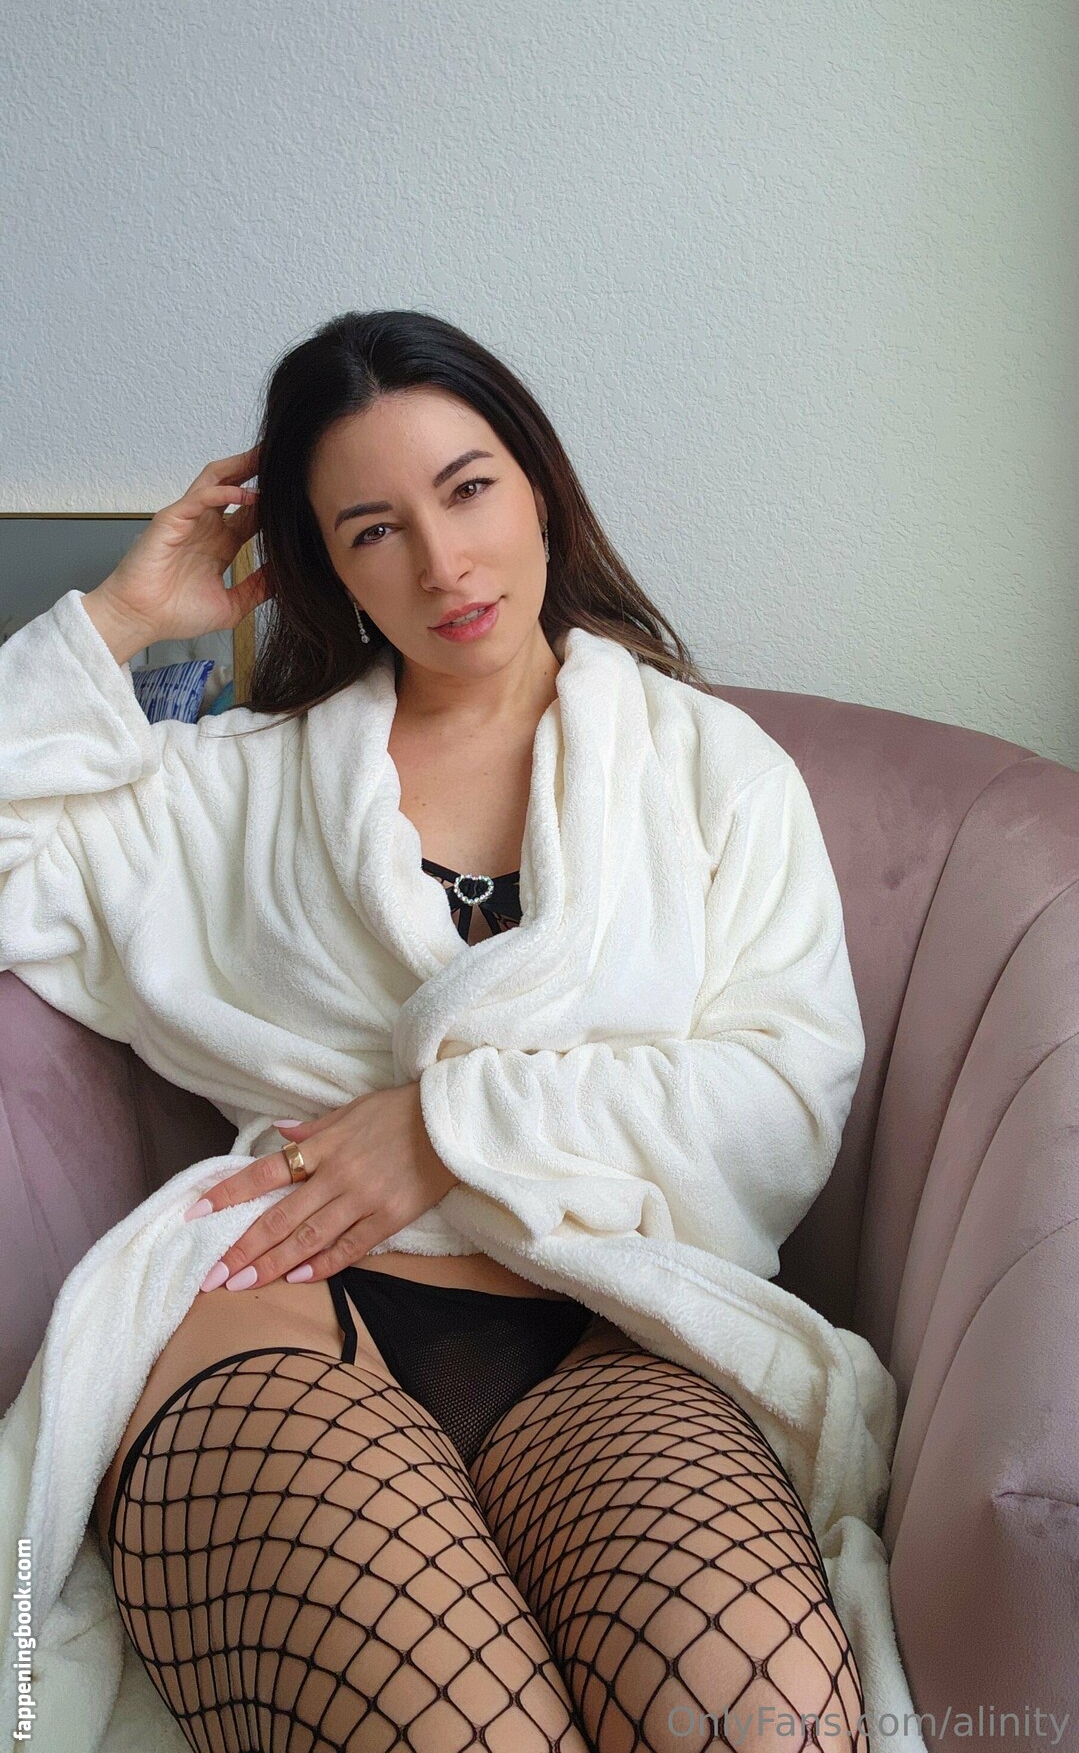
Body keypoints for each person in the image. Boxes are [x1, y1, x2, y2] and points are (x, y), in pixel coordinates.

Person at [5, 311, 878, 1752]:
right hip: (283, 1315)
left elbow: (781, 1102)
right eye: (374, 530)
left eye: (468, 490)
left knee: (762, 1719)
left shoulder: (713, 774)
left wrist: (447, 1132)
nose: (443, 563)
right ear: (326, 568)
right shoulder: (234, 790)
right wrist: (122, 619)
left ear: (539, 485)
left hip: (607, 1333)